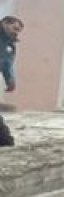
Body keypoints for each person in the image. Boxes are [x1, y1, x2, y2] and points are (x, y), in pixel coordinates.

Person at [0, 16, 23, 147]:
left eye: (18, 31)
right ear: (4, 23)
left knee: (5, 140)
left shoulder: (9, 45)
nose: (16, 32)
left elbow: (7, 65)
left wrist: (10, 81)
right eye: (15, 28)